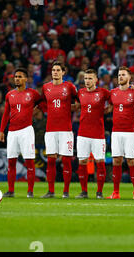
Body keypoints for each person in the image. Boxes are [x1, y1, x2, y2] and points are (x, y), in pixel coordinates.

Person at [0, 68, 42, 198]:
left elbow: (42, 103)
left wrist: (34, 112)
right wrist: (2, 130)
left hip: (26, 131)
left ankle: (30, 191)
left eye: (19, 76)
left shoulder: (33, 93)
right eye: (15, 76)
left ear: (26, 79)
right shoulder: (9, 95)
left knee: (29, 161)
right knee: (11, 162)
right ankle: (11, 191)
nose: (16, 79)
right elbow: (6, 114)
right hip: (12, 132)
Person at [40, 61, 78, 199]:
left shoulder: (69, 86)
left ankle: (66, 191)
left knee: (66, 161)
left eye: (58, 70)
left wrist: (72, 108)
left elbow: (79, 101)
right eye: (53, 70)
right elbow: (42, 103)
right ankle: (51, 191)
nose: (55, 72)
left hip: (65, 130)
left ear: (63, 72)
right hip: (50, 129)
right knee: (50, 160)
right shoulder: (46, 87)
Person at [106, 66, 134, 200]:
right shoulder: (113, 93)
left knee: (131, 161)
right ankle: (115, 192)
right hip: (116, 132)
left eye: (123, 75)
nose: (120, 77)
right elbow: (109, 107)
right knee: (116, 160)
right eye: (119, 75)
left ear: (129, 78)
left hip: (130, 132)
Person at [74, 69, 110, 199]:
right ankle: (84, 191)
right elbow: (77, 106)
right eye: (86, 78)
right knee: (82, 162)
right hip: (82, 133)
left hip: (98, 134)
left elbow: (113, 102)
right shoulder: (80, 93)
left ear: (96, 80)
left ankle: (99, 192)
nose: (87, 81)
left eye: (90, 78)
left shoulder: (103, 92)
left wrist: (106, 111)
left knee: (100, 162)